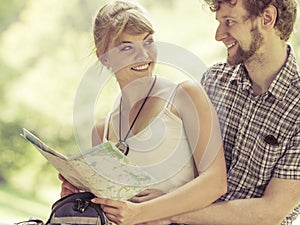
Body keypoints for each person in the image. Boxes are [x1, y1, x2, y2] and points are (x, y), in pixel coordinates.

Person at [60, 1, 227, 225]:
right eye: (127, 47)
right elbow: (111, 211)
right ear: (104, 57)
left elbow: (215, 183)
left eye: (148, 41)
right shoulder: (103, 130)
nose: (143, 55)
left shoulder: (184, 96)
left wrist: (146, 211)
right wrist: (78, 197)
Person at [141, 0, 300, 225]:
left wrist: (167, 211)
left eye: (230, 22)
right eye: (219, 22)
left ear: (267, 18)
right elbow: (176, 158)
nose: (219, 35)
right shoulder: (214, 80)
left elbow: (271, 211)